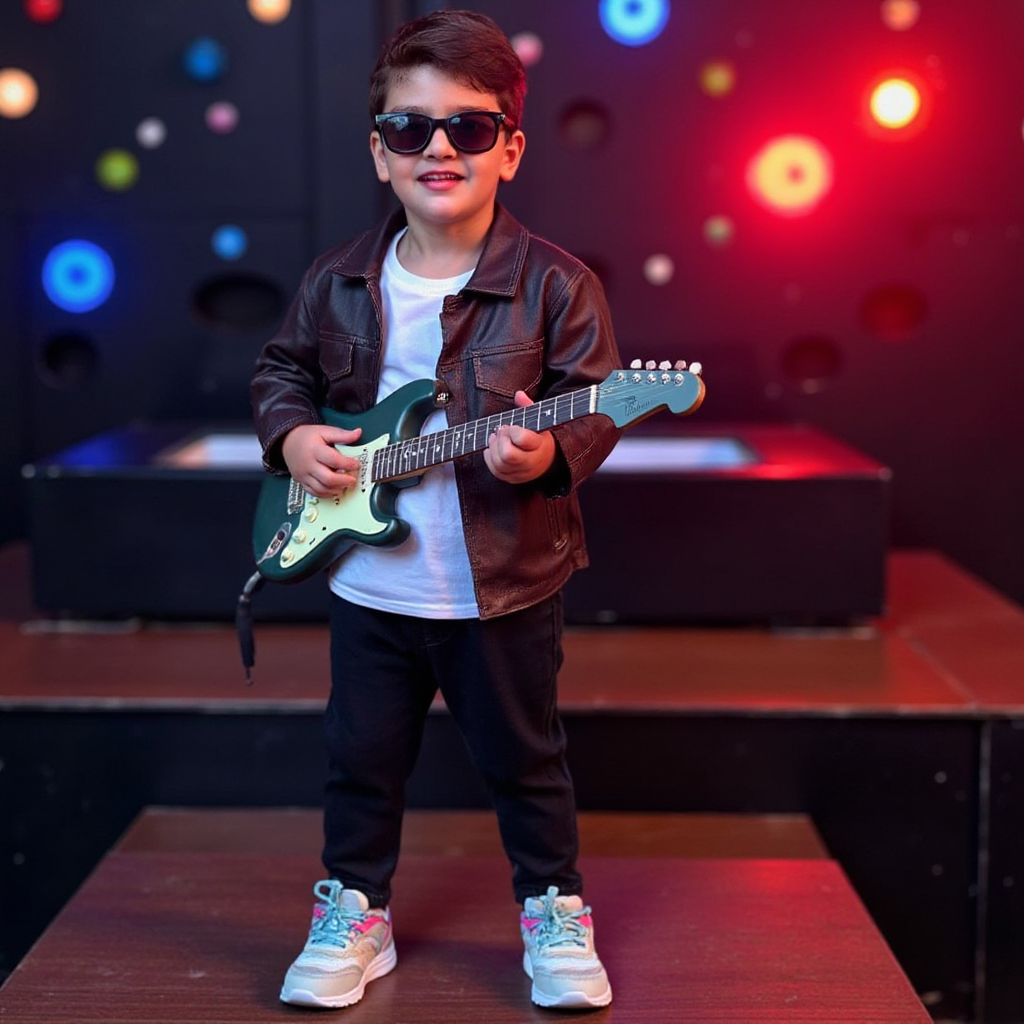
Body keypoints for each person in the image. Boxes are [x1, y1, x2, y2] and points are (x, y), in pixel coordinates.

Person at [250, 8, 621, 1012]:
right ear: (379, 154)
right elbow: (280, 370)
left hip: (502, 585)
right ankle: (355, 913)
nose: (439, 148)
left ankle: (551, 909)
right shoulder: (336, 279)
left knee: (526, 765)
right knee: (359, 762)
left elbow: (597, 400)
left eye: (468, 125)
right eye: (410, 129)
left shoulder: (557, 285)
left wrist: (550, 450)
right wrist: (291, 438)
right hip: (371, 581)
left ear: (511, 147)